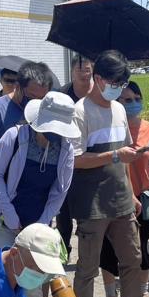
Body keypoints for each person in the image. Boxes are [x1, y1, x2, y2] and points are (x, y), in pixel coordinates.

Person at [68, 50, 149, 297]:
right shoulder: (79, 112)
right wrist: (114, 156)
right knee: (87, 266)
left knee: (132, 259)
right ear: (98, 78)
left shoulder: (118, 109)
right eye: (113, 81)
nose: (117, 87)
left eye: (122, 82)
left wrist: (131, 192)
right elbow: (76, 160)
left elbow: (125, 157)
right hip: (92, 203)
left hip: (121, 199)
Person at [0, 92, 78, 297]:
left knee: (32, 282)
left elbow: (60, 190)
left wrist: (41, 223)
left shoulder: (66, 149)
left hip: (37, 223)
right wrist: (10, 215)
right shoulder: (14, 136)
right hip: (3, 220)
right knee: (2, 276)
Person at [99, 82, 149, 297]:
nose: (132, 104)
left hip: (144, 198)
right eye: (125, 100)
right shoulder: (110, 129)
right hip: (111, 195)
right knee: (108, 250)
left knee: (143, 248)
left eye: (135, 99)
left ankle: (142, 294)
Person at [0, 61, 53, 162]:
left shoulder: (48, 109)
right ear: (18, 87)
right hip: (4, 175)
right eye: (32, 96)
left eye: (41, 98)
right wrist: (20, 152)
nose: (36, 102)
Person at [57, 53, 94, 255]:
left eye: (88, 69)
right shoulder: (62, 96)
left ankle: (89, 252)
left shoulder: (97, 95)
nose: (84, 74)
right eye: (80, 69)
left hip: (91, 160)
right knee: (63, 213)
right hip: (65, 160)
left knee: (88, 214)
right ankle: (63, 250)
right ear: (71, 72)